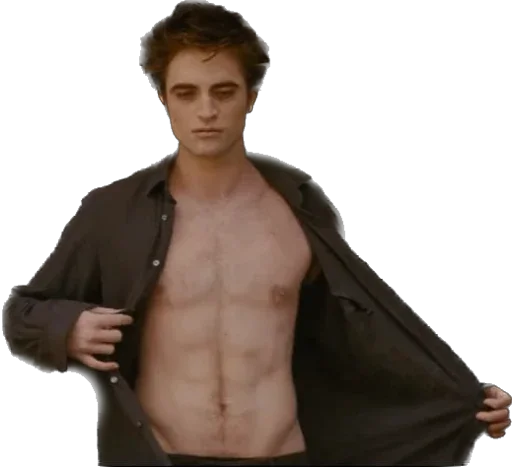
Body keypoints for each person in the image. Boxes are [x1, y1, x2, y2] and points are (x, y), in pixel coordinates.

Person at [2, 2, 510, 466]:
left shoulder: (301, 207)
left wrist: (462, 403)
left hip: (281, 454)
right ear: (162, 99)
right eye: (186, 93)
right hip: (160, 455)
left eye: (223, 91)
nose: (206, 110)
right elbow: (22, 312)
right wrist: (65, 330)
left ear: (251, 97)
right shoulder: (112, 211)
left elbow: (358, 342)